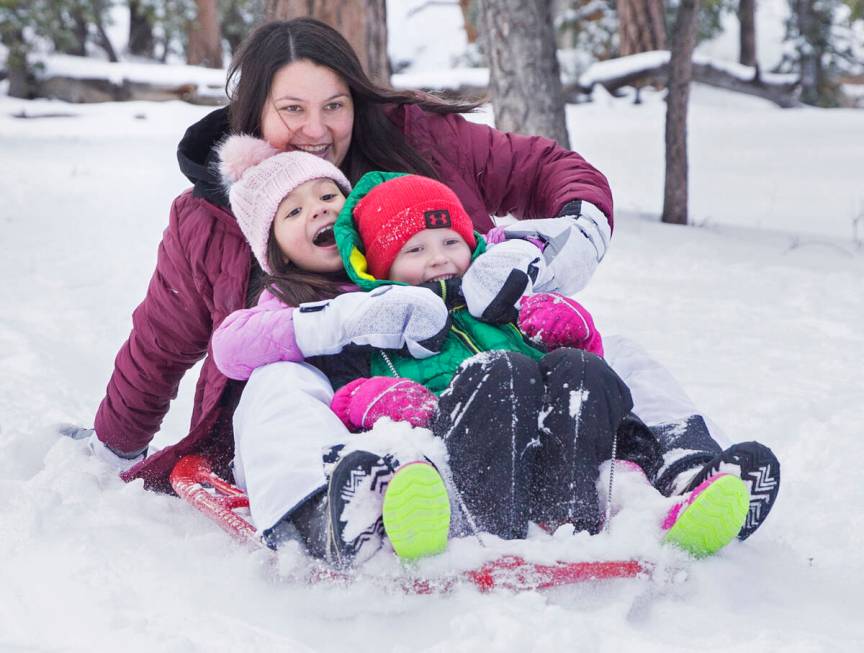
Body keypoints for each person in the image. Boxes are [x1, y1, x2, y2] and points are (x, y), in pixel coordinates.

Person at [75, 18, 778, 558]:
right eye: (292, 109)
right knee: (276, 385)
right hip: (344, 405)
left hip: (472, 376)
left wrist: (569, 238)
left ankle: (686, 469)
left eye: (336, 106)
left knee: (606, 353)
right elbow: (161, 341)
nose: (317, 131)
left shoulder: (414, 144)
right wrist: (114, 444)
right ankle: (334, 508)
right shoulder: (209, 219)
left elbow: (541, 167)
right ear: (253, 113)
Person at [211, 140, 753, 565]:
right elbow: (251, 353)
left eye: (328, 197)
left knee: (589, 365)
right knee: (494, 373)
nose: (318, 212)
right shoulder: (297, 299)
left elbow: (542, 294)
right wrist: (360, 358)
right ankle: (349, 511)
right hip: (433, 435)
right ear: (273, 243)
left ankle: (681, 473)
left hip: (536, 432)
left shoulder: (476, 279)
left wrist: (563, 314)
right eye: (294, 210)